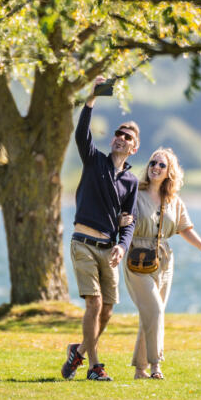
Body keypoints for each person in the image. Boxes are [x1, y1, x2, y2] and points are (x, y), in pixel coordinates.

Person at [60, 78, 140, 382]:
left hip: (110, 250)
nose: (120, 138)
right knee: (93, 303)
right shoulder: (94, 161)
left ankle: (77, 352)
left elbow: (128, 221)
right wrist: (91, 99)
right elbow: (82, 134)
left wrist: (123, 244)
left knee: (106, 310)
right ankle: (94, 366)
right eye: (118, 134)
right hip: (83, 243)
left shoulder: (131, 183)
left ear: (134, 147)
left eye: (127, 136)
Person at [124, 147, 201, 380]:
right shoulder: (135, 193)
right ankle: (156, 366)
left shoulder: (174, 200)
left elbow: (184, 228)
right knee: (154, 310)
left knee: (153, 313)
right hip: (137, 258)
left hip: (164, 260)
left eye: (161, 165)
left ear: (169, 172)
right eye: (153, 162)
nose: (155, 167)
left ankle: (139, 370)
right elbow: (120, 219)